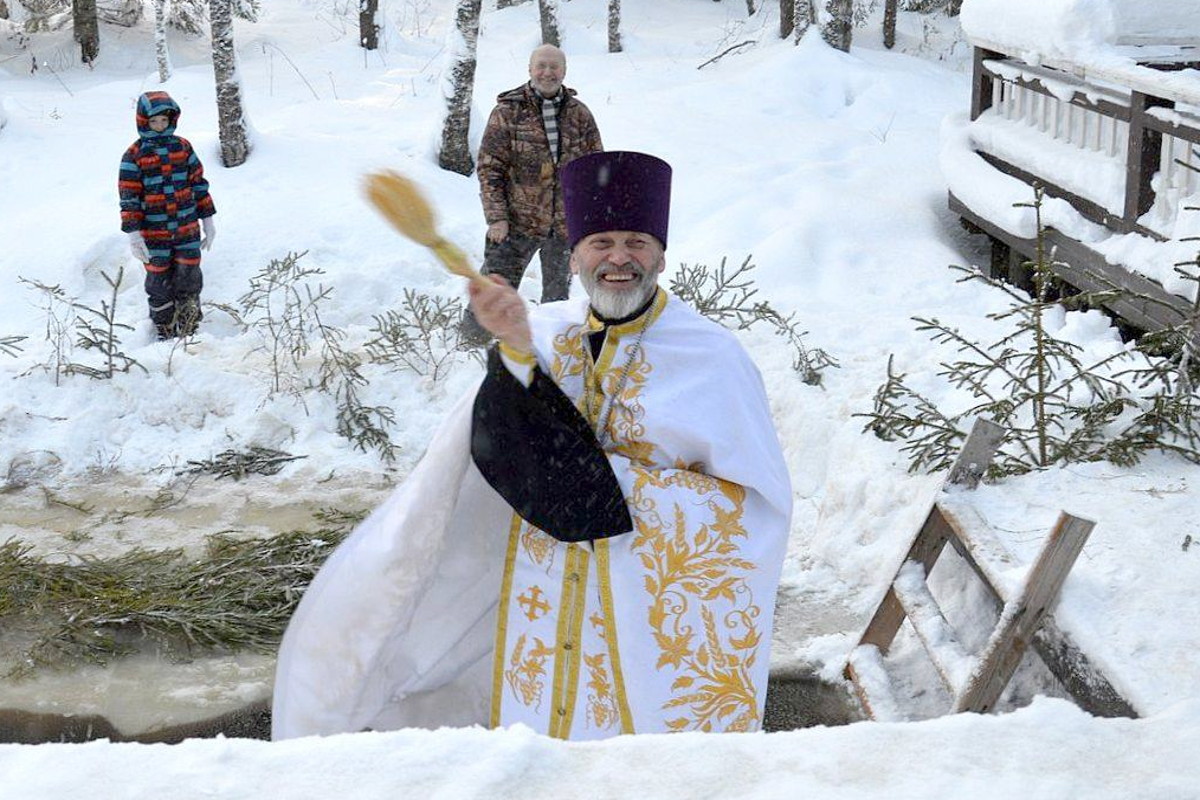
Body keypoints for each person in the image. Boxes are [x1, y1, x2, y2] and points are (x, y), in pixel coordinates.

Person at [272, 151, 792, 742]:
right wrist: (515, 350)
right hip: (540, 601)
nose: (619, 259)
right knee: (538, 746)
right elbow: (488, 454)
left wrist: (616, 489)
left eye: (636, 242)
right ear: (573, 257)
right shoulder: (540, 329)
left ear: (661, 256)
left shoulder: (714, 359)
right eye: (601, 242)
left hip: (645, 616)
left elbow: (757, 510)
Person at [461, 44, 603, 344]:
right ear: (530, 69)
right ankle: (468, 346)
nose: (547, 72)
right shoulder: (508, 111)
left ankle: (550, 350)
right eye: (541, 66)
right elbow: (490, 168)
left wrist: (587, 225)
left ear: (564, 72)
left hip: (563, 226)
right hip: (516, 224)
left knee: (557, 298)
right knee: (492, 289)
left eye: (554, 67)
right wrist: (496, 217)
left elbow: (595, 170)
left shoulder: (580, 114)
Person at [119, 91, 216, 340]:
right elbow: (129, 197)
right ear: (143, 121)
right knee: (158, 281)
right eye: (154, 121)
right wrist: (134, 234)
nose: (160, 126)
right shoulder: (134, 155)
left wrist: (208, 220)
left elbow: (198, 183)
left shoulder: (182, 147)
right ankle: (164, 327)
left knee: (189, 277)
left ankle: (188, 325)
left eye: (164, 120)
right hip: (154, 234)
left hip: (187, 229)